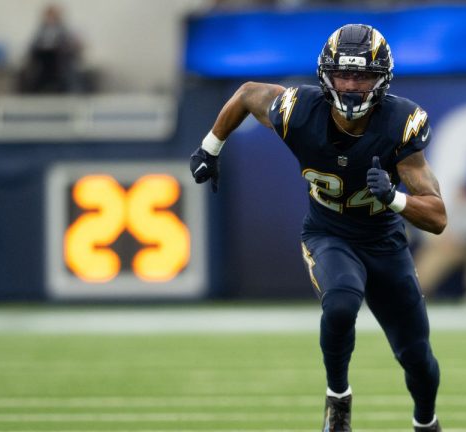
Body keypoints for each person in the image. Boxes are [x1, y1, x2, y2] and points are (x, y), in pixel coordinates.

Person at [189, 24, 447, 432]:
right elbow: (246, 94)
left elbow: (437, 217)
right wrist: (210, 146)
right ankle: (338, 399)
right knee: (342, 303)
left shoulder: (401, 123)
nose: (350, 85)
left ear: (381, 80)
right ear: (326, 76)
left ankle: (426, 422)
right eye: (343, 74)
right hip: (329, 234)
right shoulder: (297, 111)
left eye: (361, 76)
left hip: (384, 243)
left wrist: (394, 199)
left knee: (418, 357)